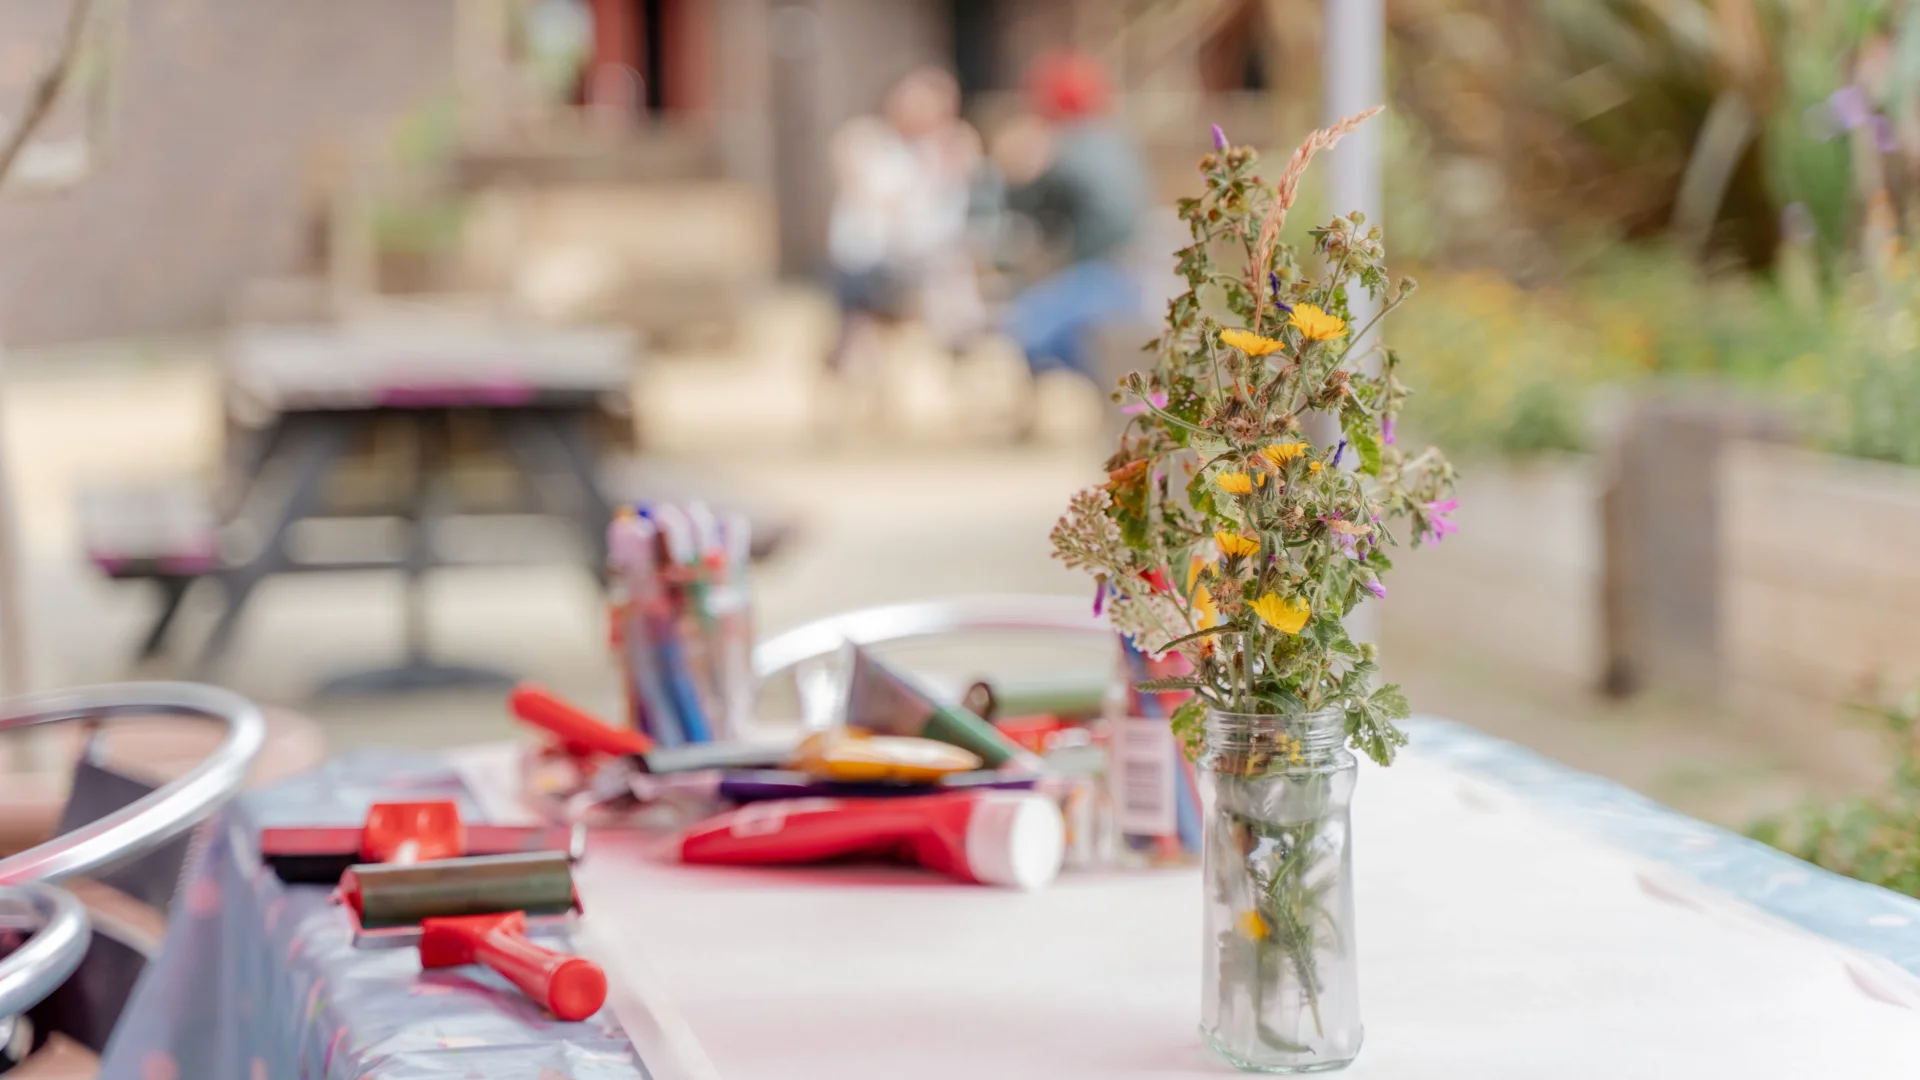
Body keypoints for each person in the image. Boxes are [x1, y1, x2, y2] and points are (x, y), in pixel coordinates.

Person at [823, 68, 985, 412]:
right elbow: (879, 211)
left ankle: (959, 372)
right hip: (868, 260)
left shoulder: (946, 149)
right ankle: (859, 384)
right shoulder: (869, 143)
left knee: (955, 284)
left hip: (925, 262)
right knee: (866, 299)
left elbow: (950, 216)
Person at [993, 51, 1152, 396]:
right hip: (1131, 272)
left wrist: (1013, 162)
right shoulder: (1117, 139)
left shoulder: (1069, 148)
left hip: (1097, 274)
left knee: (1024, 331)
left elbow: (1027, 201)